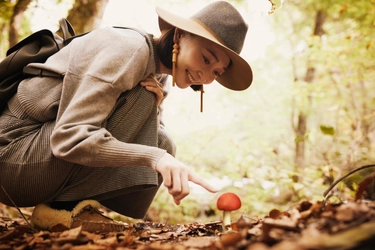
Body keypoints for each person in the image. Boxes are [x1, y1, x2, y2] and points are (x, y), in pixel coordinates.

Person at [0, 1, 253, 232]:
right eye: (206, 58)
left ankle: (63, 209)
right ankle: (61, 210)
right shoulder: (130, 49)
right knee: (155, 139)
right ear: (180, 34)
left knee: (164, 142)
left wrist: (156, 115)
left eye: (216, 72)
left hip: (38, 161)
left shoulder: (159, 74)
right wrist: (155, 158)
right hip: (11, 158)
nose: (205, 76)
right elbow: (69, 138)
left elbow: (151, 140)